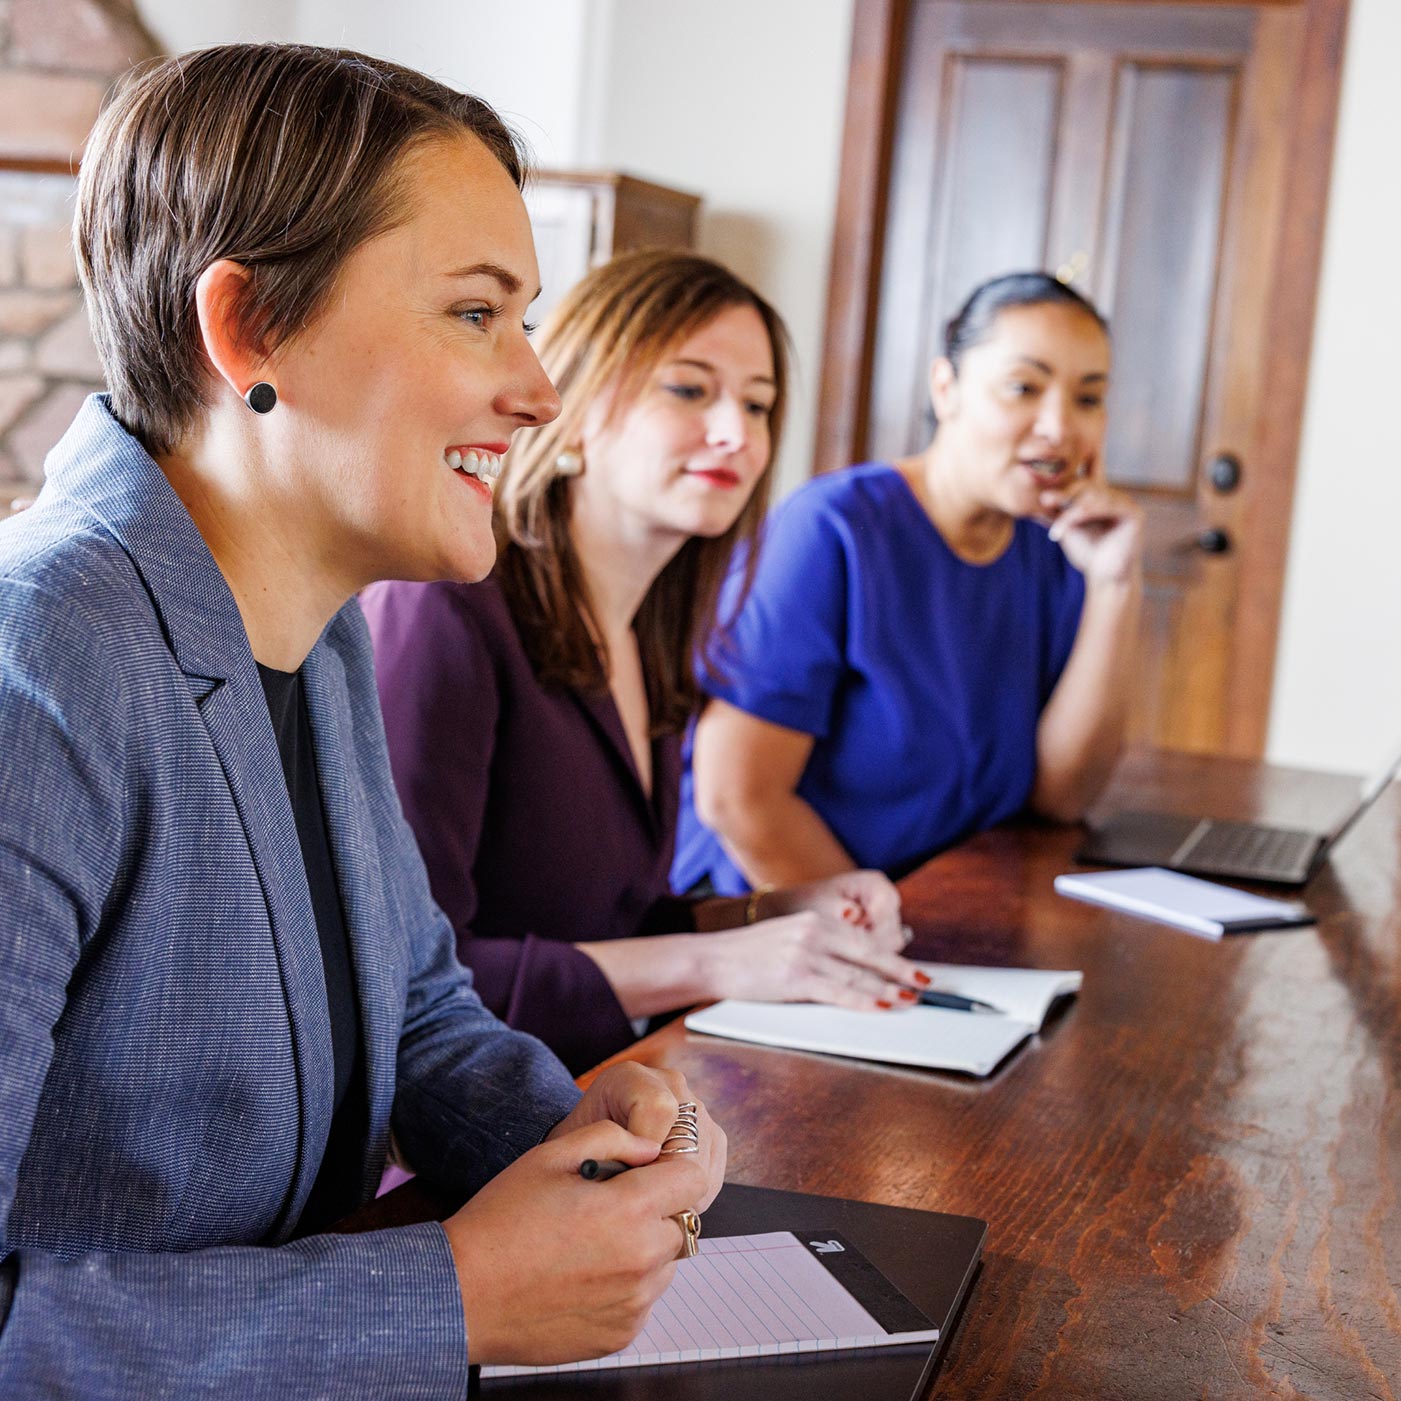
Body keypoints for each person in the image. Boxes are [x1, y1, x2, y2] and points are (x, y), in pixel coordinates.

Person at [0, 45, 725, 1396]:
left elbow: (415, 1012)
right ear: (249, 329)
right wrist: (450, 1298)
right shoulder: (37, 662)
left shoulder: (319, 625)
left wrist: (578, 1133)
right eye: (475, 314)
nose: (540, 389)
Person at [363, 250, 928, 1074]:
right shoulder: (443, 614)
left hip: (595, 1093)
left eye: (759, 404)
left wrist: (771, 916)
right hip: (450, 1141)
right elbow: (405, 978)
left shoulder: (650, 633)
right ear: (579, 407)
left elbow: (606, 921)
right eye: (689, 389)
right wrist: (716, 964)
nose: (736, 431)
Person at [673, 271, 1144, 894]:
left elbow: (1062, 796)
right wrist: (883, 941)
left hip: (945, 905)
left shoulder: (1057, 542)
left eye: (1088, 397)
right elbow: (739, 801)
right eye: (1022, 387)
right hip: (780, 912)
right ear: (946, 389)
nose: (1059, 426)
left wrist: (1115, 584)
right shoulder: (832, 530)